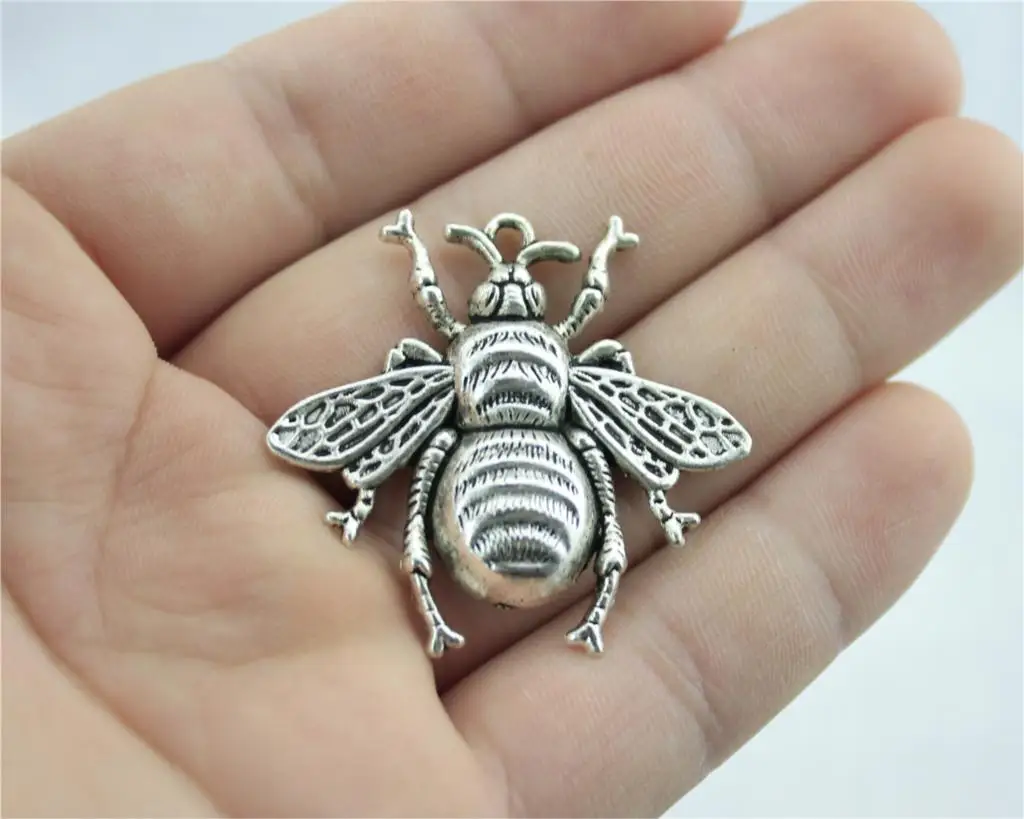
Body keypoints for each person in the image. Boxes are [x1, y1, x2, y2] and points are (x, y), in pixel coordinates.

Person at [3, 3, 1021, 816]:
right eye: (511, 291)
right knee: (593, 463)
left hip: (482, 469)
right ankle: (595, 583)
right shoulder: (572, 361)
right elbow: (598, 350)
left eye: (511, 289)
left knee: (429, 475)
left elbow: (412, 372)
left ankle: (447, 584)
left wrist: (423, 262)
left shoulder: (448, 366)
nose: (508, 289)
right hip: (544, 469)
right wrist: (592, 272)